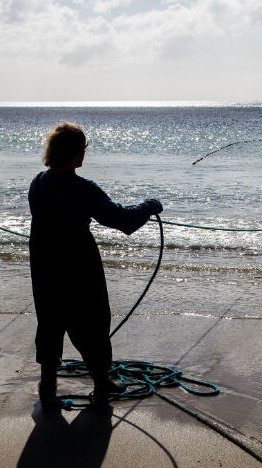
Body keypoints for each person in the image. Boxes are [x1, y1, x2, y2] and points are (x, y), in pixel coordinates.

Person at [28, 122, 162, 408]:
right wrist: (149, 206)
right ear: (77, 154)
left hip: (44, 265)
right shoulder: (84, 189)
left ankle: (47, 386)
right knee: (92, 325)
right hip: (79, 265)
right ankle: (102, 386)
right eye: (83, 151)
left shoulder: (38, 183)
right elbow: (123, 221)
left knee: (50, 324)